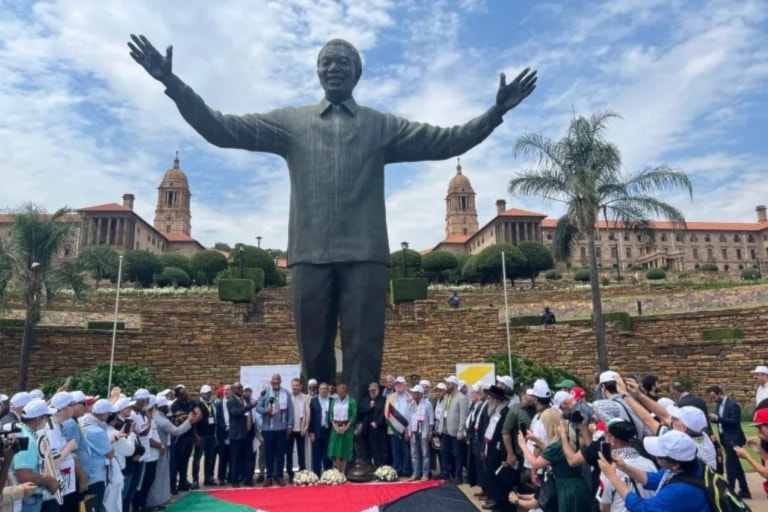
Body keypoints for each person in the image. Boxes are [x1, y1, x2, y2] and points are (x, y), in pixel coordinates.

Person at [127, 34, 537, 402]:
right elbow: (220, 128)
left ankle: (361, 438)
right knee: (314, 353)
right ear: (318, 72)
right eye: (327, 61)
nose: (334, 67)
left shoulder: (381, 126)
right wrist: (172, 83)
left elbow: (449, 140)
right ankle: (319, 436)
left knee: (364, 353)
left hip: (366, 254)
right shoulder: (291, 124)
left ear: (357, 72)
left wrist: (494, 111)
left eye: (343, 61)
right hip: (309, 253)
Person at [597, 430, 711, 511]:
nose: (655, 456)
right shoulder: (690, 465)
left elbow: (642, 508)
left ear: (675, 464)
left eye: (659, 455)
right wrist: (624, 466)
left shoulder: (678, 491)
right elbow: (654, 479)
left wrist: (612, 477)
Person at [706, 385, 750, 498]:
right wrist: (714, 420)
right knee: (736, 465)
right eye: (711, 398)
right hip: (725, 438)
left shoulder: (732, 405)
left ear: (720, 393)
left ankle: (730, 491)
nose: (713, 400)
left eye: (714, 397)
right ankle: (744, 490)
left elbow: (734, 422)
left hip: (734, 439)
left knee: (730, 465)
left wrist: (717, 419)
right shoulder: (719, 406)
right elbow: (723, 422)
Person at [327, 384, 357, 474]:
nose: (340, 394)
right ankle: (337, 469)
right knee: (336, 449)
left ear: (346, 392)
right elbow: (331, 415)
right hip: (335, 428)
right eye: (339, 393)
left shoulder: (352, 401)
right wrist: (335, 426)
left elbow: (353, 415)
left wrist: (346, 427)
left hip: (347, 428)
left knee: (344, 449)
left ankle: (343, 470)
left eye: (342, 392)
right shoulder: (334, 401)